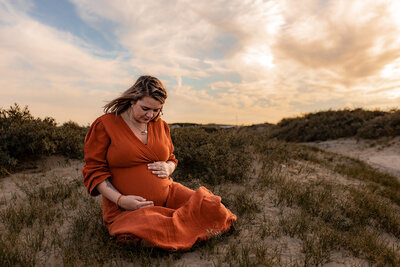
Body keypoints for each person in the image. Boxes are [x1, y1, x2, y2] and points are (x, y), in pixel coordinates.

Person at [82, 75, 236, 251]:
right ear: (133, 100)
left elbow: (171, 158)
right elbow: (94, 171)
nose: (150, 115)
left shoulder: (160, 125)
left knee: (214, 208)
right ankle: (178, 227)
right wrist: (121, 200)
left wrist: (168, 167)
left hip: (169, 193)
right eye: (145, 108)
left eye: (157, 110)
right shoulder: (105, 124)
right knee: (145, 227)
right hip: (125, 207)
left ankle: (173, 227)